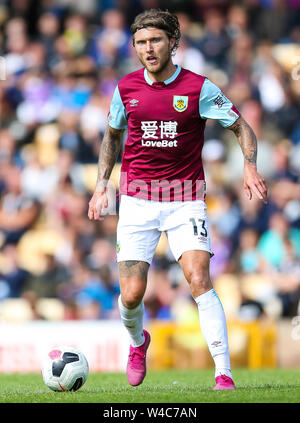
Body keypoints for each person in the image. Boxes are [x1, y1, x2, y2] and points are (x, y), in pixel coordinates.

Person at [88, 9, 268, 390]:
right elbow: (111, 137)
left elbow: (240, 125)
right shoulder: (125, 89)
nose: (148, 49)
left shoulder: (198, 88)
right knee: (132, 295)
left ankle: (224, 372)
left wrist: (250, 167)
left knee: (199, 277)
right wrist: (101, 183)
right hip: (136, 200)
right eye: (140, 42)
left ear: (173, 42)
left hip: (185, 199)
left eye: (155, 40)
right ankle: (138, 343)